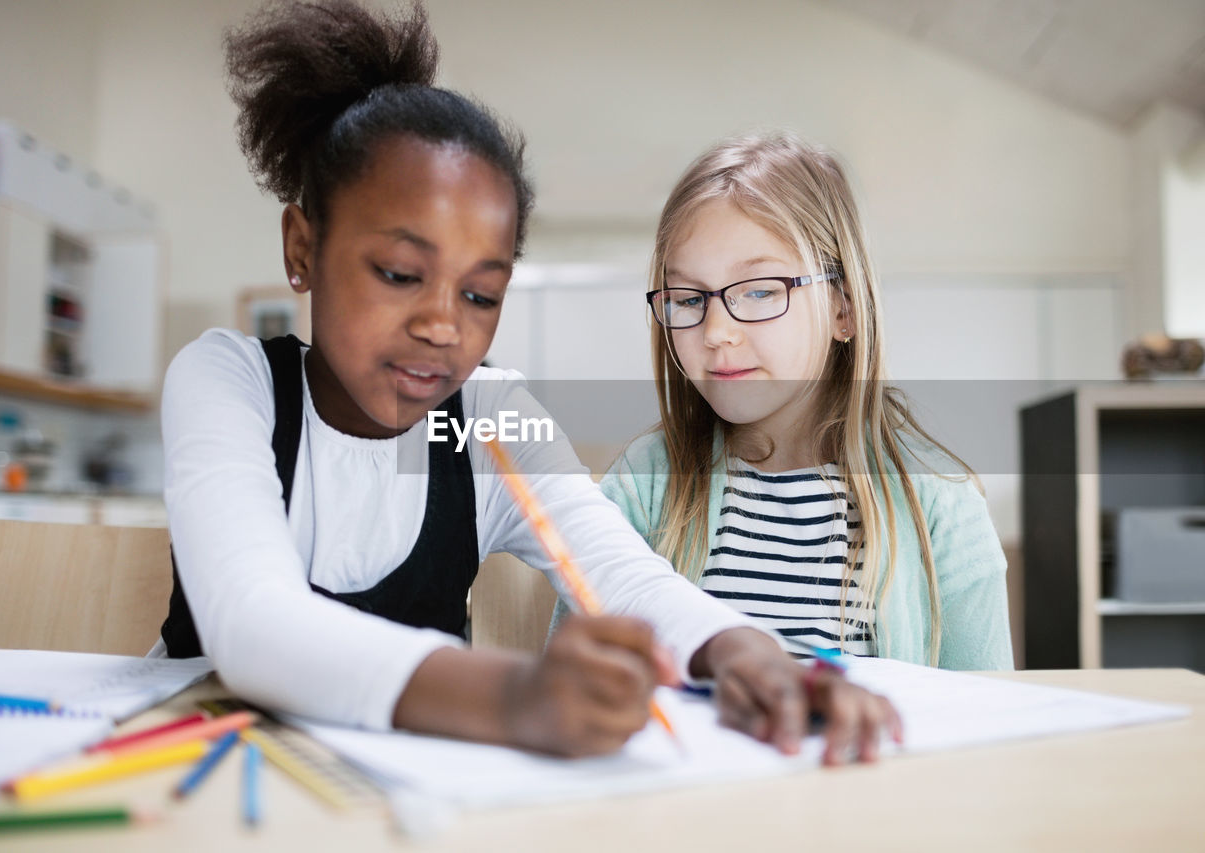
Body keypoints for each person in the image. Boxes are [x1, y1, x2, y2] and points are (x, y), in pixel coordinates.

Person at [155, 1, 899, 762]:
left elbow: (624, 573)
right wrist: (515, 694)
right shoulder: (228, 380)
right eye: (400, 273)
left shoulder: (489, 416)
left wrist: (751, 653)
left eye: (481, 293)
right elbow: (252, 624)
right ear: (302, 248)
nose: (443, 325)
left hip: (406, 800)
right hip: (200, 777)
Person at [552, 132, 1013, 672]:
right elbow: (573, 689)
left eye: (761, 290)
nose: (717, 331)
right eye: (689, 298)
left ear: (844, 307)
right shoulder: (642, 487)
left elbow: (987, 721)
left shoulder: (940, 507)